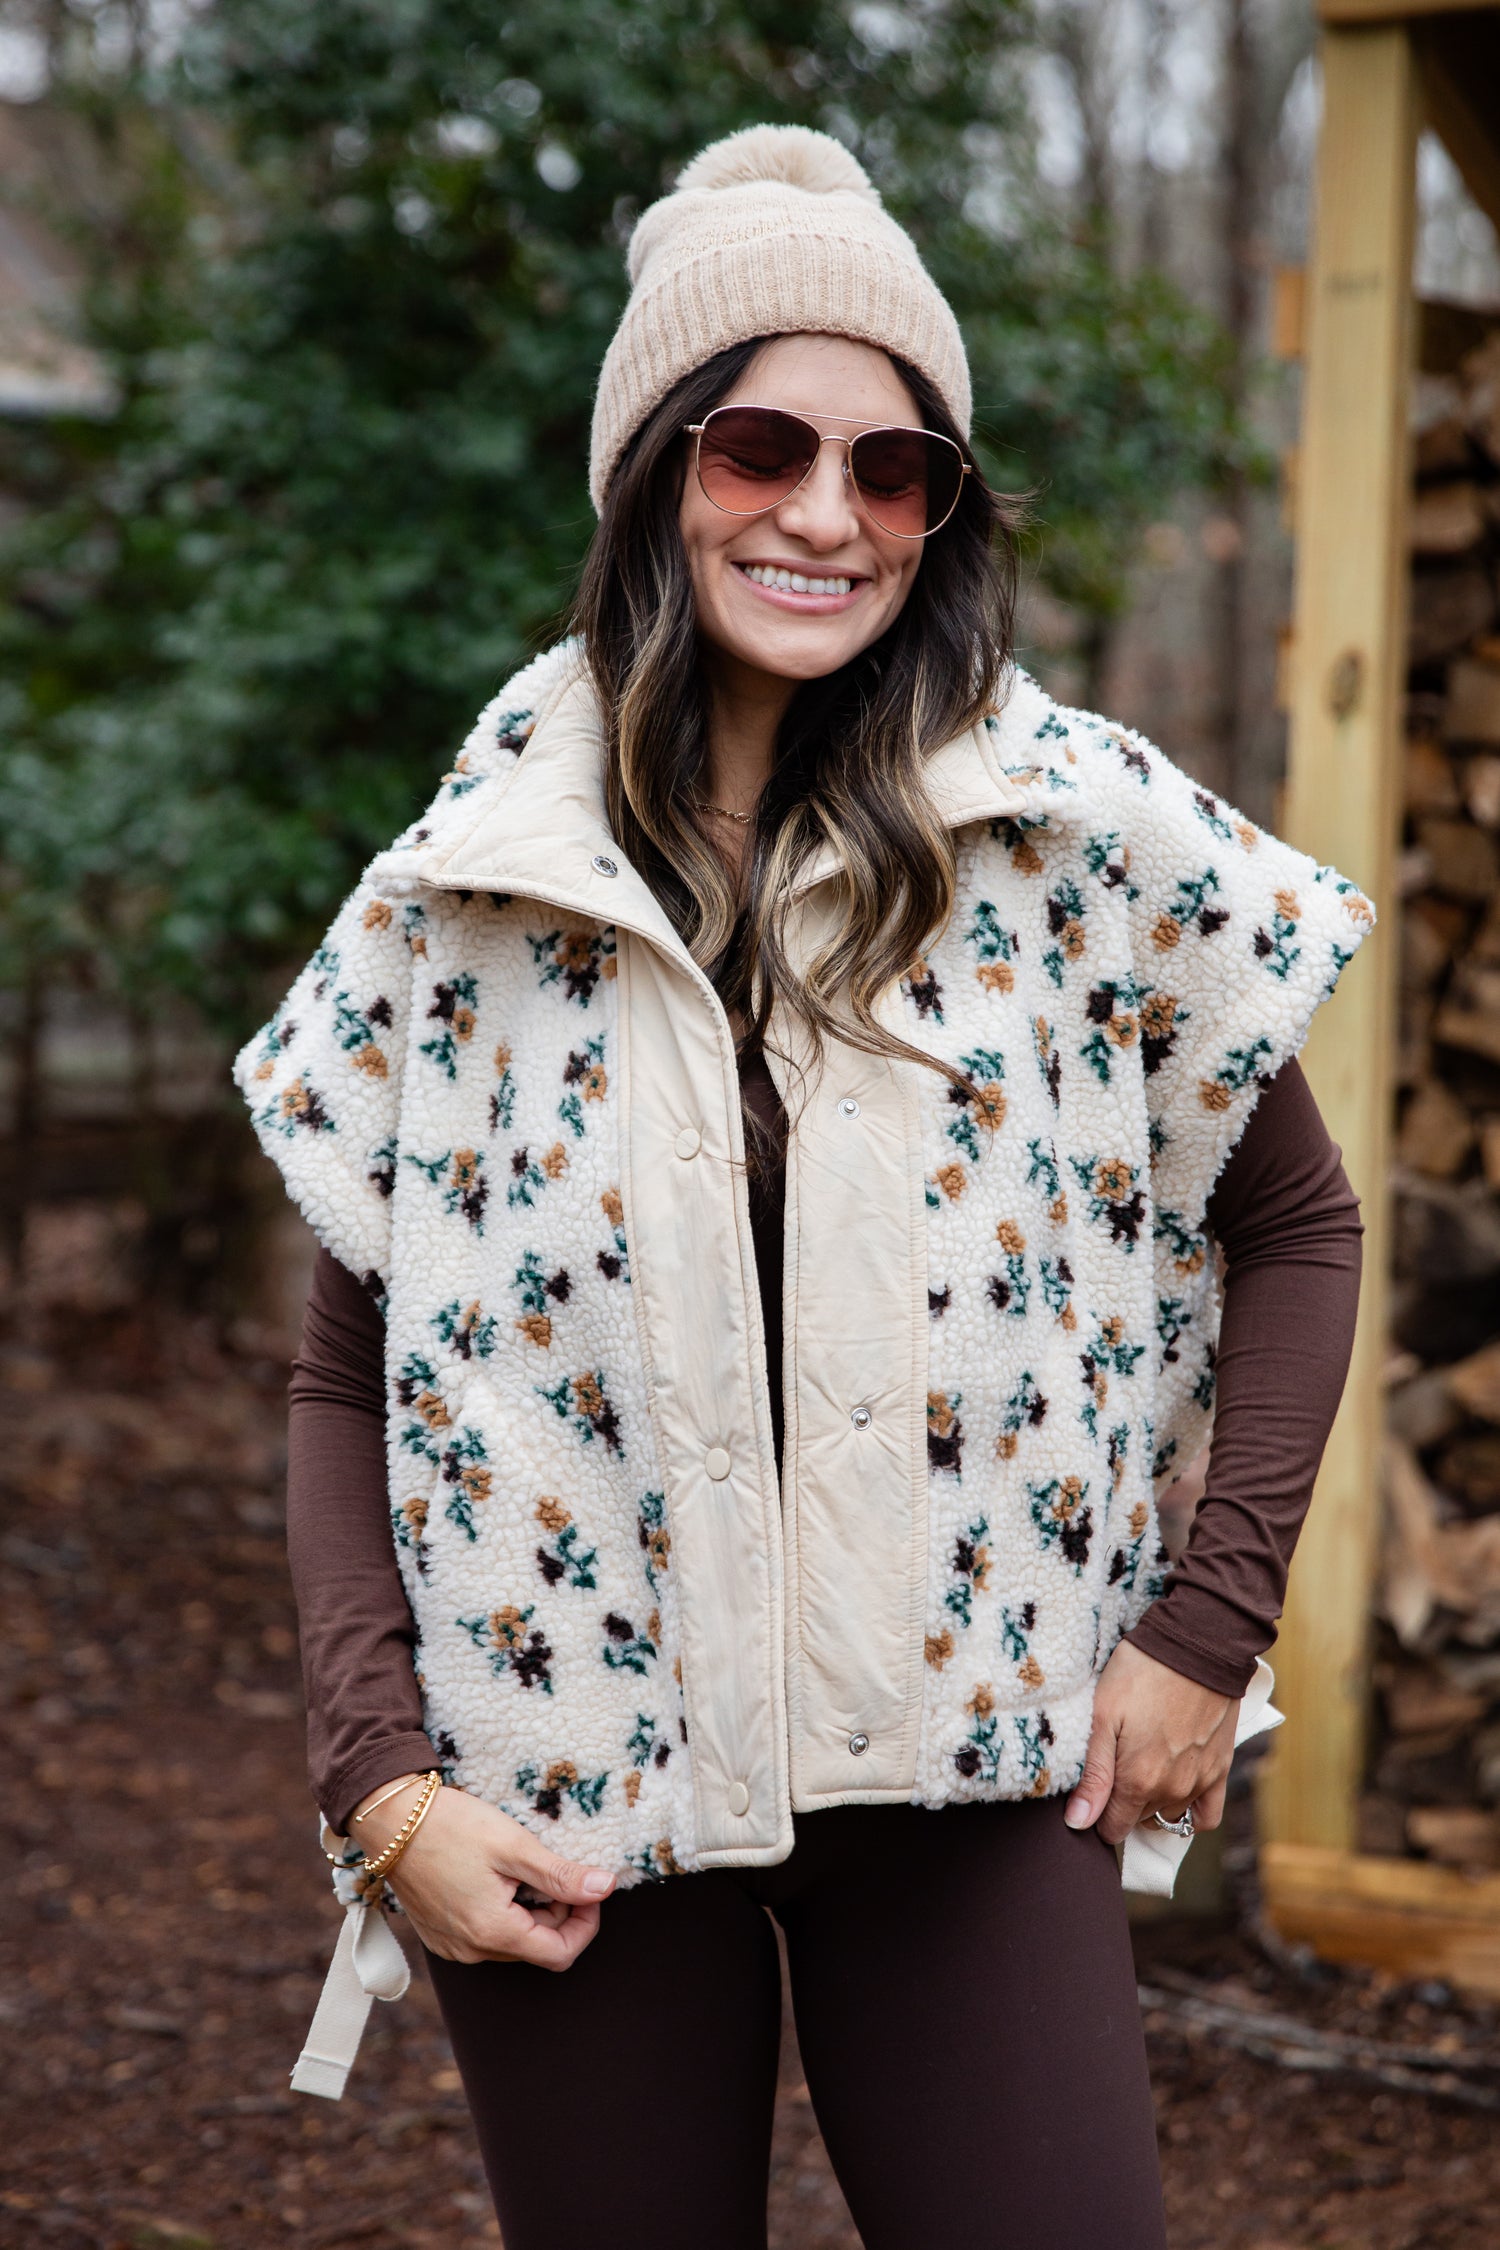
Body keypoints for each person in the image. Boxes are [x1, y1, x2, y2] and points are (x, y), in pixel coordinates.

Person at [236, 124, 1371, 2250]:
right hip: (571, 1796)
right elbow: (348, 1367)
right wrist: (380, 1783)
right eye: (762, 442)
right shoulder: (474, 887)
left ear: (943, 510)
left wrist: (1206, 1631)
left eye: (896, 466)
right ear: (658, 466)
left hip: (981, 1765)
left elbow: (1298, 1224)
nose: (828, 514)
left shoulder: (1078, 837)